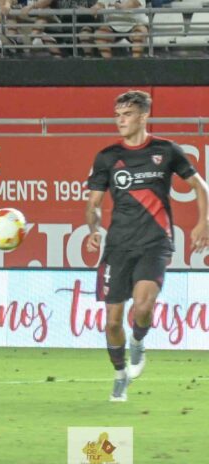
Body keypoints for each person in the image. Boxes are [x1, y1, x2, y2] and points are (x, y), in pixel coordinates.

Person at [86, 90, 209, 402]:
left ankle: (138, 343)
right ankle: (120, 375)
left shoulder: (166, 151)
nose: (120, 121)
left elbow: (200, 186)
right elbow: (94, 204)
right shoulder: (107, 157)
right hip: (118, 247)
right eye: (117, 115)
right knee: (113, 321)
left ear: (144, 116)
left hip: (155, 243)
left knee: (142, 306)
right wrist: (94, 227)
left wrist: (203, 222)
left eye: (127, 114)